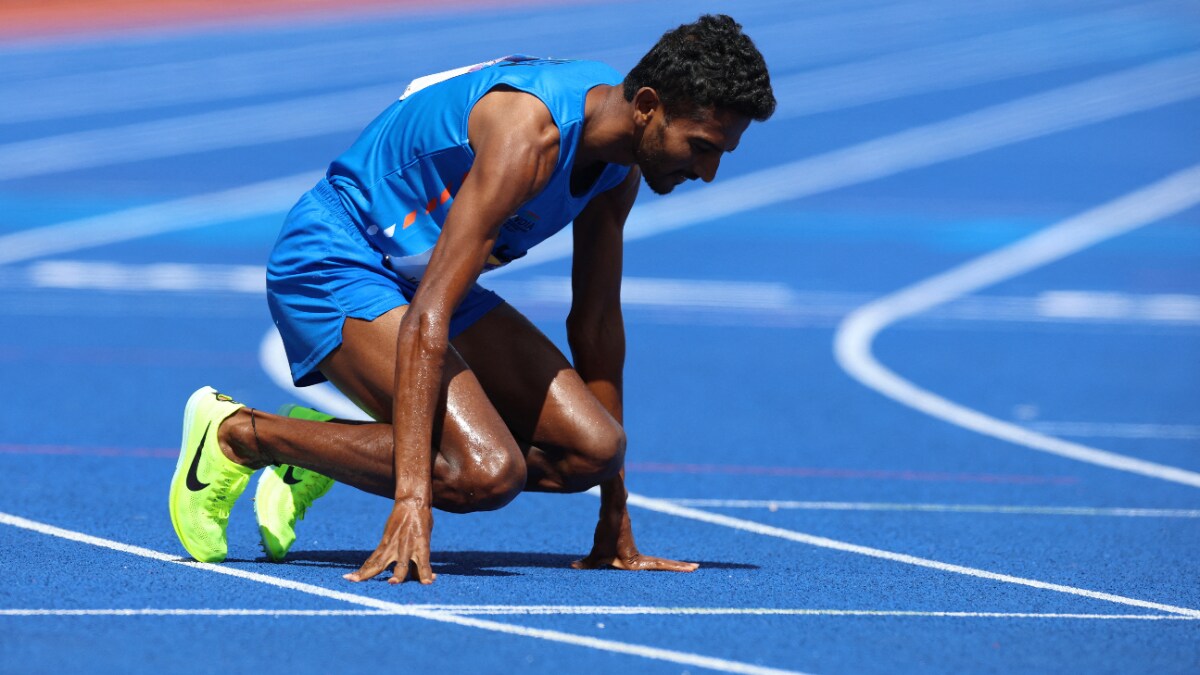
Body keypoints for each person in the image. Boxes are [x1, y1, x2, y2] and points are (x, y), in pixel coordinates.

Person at [168, 13, 775, 584]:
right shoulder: (528, 139)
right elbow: (427, 316)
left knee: (594, 450)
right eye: (702, 146)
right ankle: (241, 434)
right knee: (484, 473)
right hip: (337, 260)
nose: (709, 172)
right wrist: (413, 499)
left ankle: (328, 448)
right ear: (646, 107)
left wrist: (614, 509)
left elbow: (594, 321)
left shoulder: (618, 161)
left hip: (425, 278)